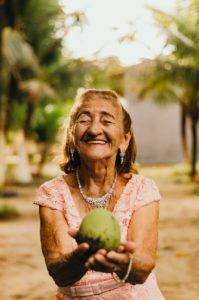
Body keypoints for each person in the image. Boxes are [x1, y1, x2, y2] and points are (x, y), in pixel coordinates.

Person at [34, 88, 165, 300]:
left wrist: (123, 263)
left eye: (107, 121)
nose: (95, 129)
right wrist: (82, 256)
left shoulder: (142, 190)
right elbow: (59, 273)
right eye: (84, 120)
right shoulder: (52, 194)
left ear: (124, 138)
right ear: (71, 135)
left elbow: (143, 268)